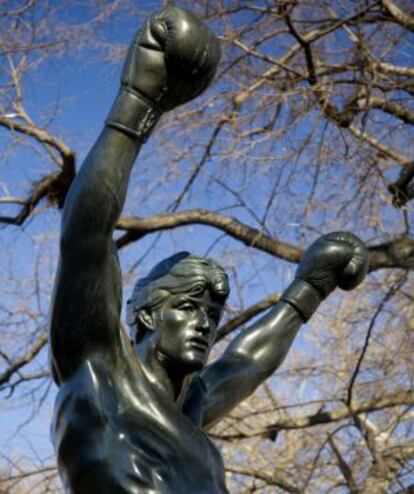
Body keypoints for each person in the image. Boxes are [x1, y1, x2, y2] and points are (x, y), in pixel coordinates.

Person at [49, 6, 369, 494]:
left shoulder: (190, 410)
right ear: (149, 315)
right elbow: (86, 235)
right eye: (188, 306)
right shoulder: (98, 370)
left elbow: (247, 361)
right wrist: (136, 103)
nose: (205, 323)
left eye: (214, 312)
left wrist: (310, 288)